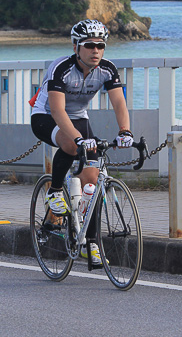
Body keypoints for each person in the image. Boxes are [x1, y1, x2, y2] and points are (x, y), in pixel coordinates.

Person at [30, 19, 133, 267]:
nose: (95, 50)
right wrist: (77, 138)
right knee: (72, 145)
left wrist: (125, 131)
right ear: (77, 46)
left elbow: (119, 103)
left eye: (100, 45)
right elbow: (57, 110)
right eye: (89, 45)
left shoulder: (107, 69)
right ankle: (54, 192)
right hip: (46, 116)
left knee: (92, 178)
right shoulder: (61, 68)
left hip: (79, 118)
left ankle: (90, 241)